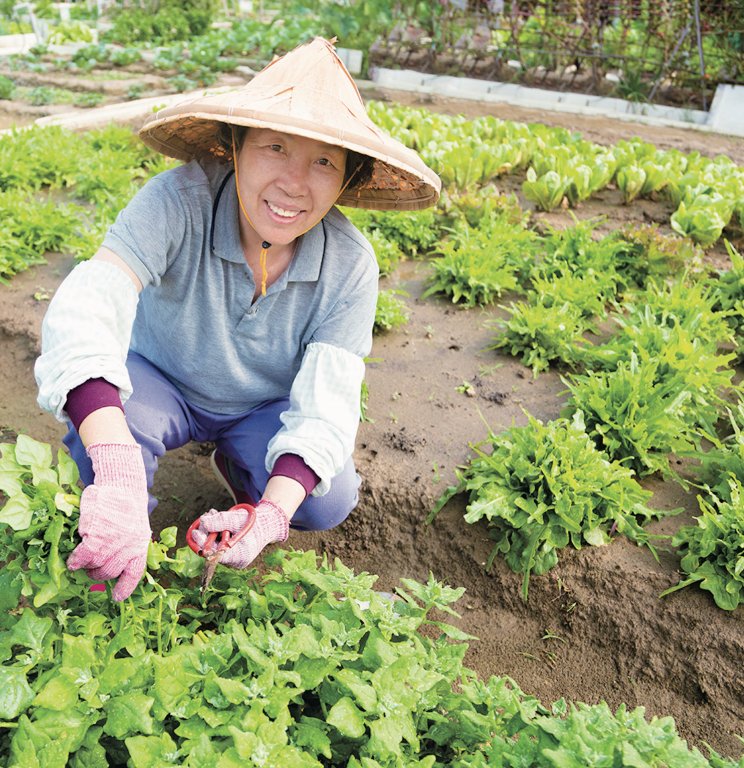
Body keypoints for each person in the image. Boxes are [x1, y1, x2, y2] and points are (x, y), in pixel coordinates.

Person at [34, 37, 440, 601]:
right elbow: (88, 306)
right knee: (100, 437)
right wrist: (116, 462)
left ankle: (242, 477)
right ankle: (119, 520)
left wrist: (271, 515)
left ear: (347, 179)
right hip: (161, 380)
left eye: (323, 160)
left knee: (327, 497)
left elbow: (329, 406)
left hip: (257, 407)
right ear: (235, 145)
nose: (295, 183)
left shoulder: (350, 265)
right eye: (275, 147)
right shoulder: (178, 201)